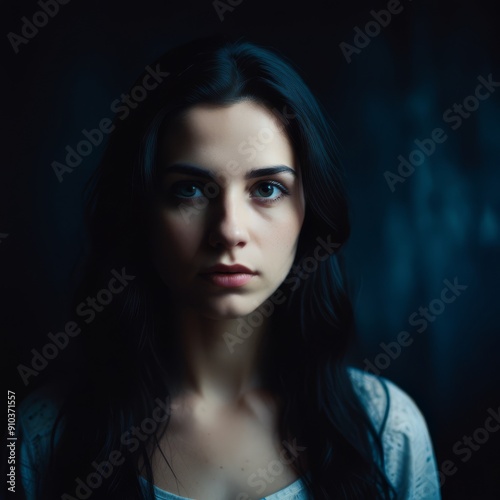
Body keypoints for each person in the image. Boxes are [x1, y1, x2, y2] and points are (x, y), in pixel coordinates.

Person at [17, 35, 441, 499]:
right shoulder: (36, 436)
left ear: (309, 209)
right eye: (190, 190)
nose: (229, 229)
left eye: (267, 189)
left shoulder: (388, 430)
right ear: (140, 211)